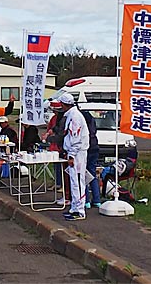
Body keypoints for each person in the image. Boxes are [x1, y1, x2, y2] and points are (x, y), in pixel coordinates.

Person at [59, 93, 89, 221]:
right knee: (74, 181)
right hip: (75, 152)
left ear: (63, 104)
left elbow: (75, 139)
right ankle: (74, 207)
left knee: (77, 180)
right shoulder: (72, 115)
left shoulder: (75, 117)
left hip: (77, 154)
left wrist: (71, 155)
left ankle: (80, 210)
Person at [43, 100, 66, 194]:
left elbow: (59, 132)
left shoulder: (63, 118)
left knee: (62, 166)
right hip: (54, 144)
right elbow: (50, 128)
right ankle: (57, 182)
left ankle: (63, 184)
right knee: (56, 165)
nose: (54, 112)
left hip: (60, 145)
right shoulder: (54, 118)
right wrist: (47, 134)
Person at [81, 106, 101, 209]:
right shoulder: (92, 122)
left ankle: (86, 201)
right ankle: (97, 200)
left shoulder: (82, 122)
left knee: (83, 174)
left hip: (86, 148)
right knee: (92, 174)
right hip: (95, 147)